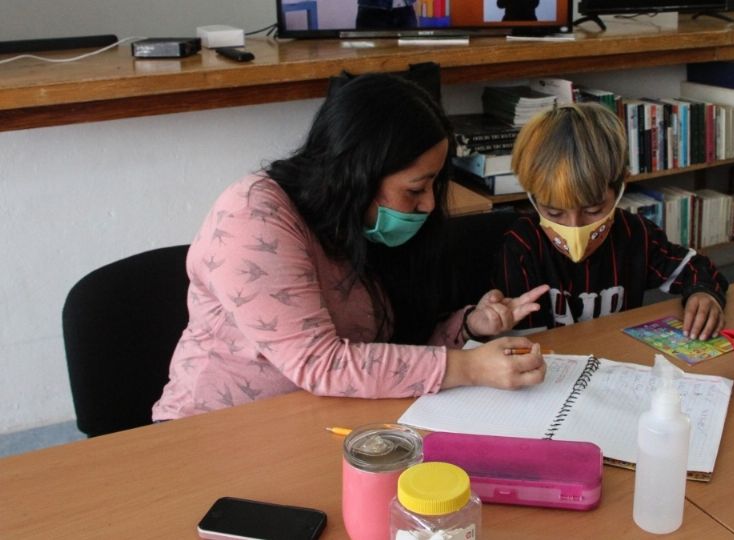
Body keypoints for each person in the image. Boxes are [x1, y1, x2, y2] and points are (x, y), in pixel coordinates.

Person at [153, 74, 548, 421]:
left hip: (319, 419)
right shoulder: (253, 216)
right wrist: (471, 368)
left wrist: (467, 326)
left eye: (432, 186)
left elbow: (384, 352)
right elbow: (321, 362)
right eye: (415, 189)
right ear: (358, 174)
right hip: (209, 431)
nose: (429, 204)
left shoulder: (362, 223)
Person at [493, 103, 728, 340]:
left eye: (594, 210)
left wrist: (704, 293)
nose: (575, 229)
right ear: (534, 199)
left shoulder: (635, 234)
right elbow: (522, 344)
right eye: (554, 213)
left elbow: (695, 267)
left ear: (619, 189)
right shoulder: (522, 246)